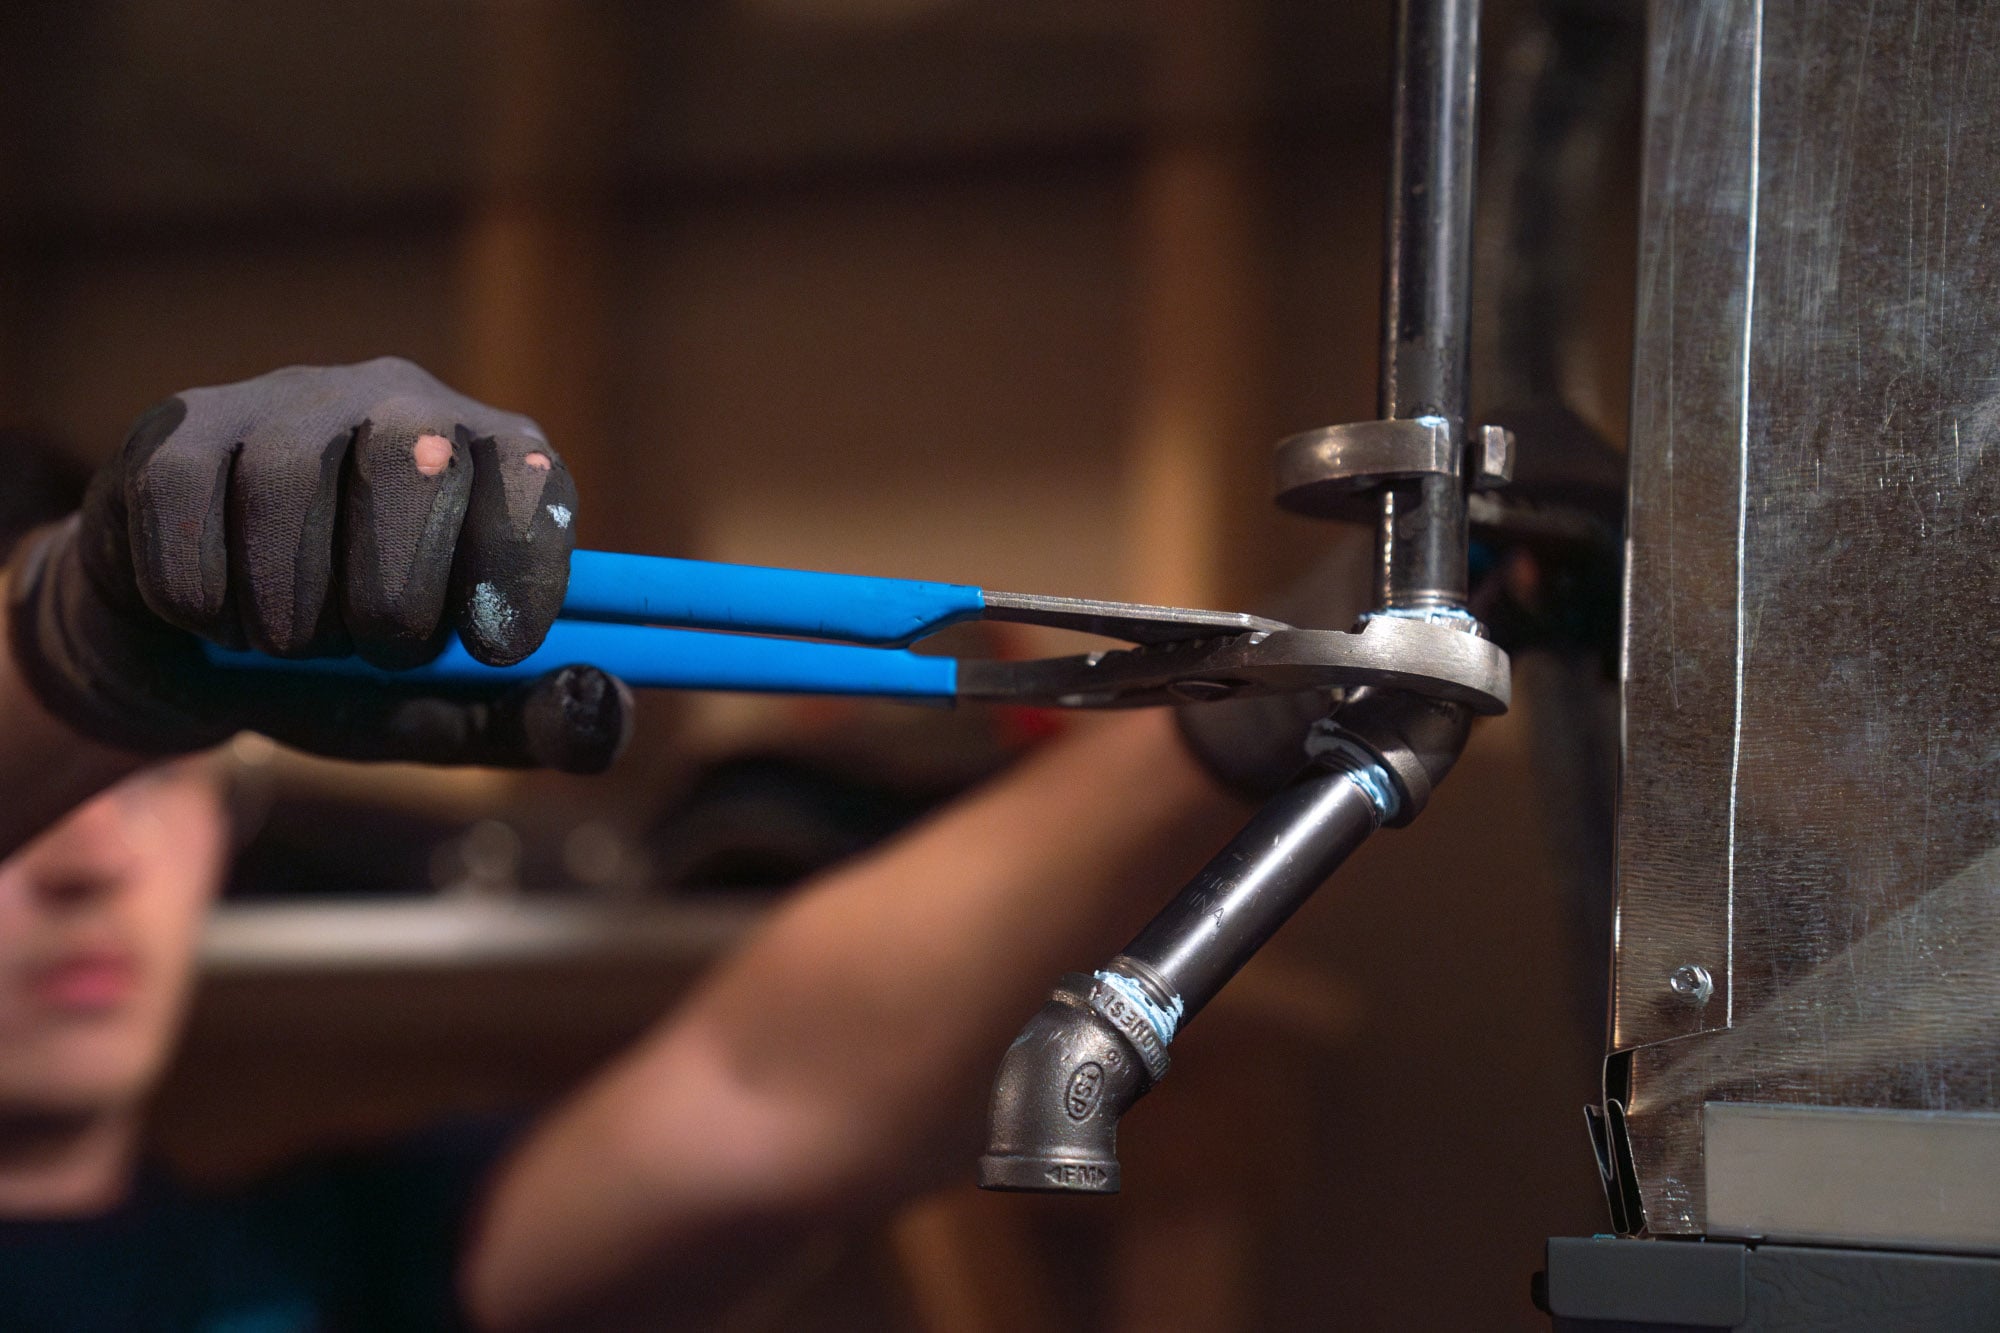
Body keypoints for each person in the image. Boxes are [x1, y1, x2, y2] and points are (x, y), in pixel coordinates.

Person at [0, 360, 1328, 1330]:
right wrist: (64, 654)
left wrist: (1260, 711)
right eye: (61, 777)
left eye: (161, 773)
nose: (93, 859)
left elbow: (778, 1093)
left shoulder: (323, 1267)